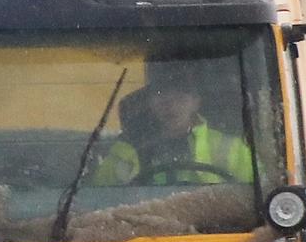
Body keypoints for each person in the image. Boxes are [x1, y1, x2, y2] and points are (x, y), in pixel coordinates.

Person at [101, 76, 253, 187]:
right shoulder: (126, 151)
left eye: (180, 98)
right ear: (150, 104)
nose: (170, 106)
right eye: (161, 98)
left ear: (196, 102)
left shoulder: (231, 148)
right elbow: (97, 201)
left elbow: (261, 196)